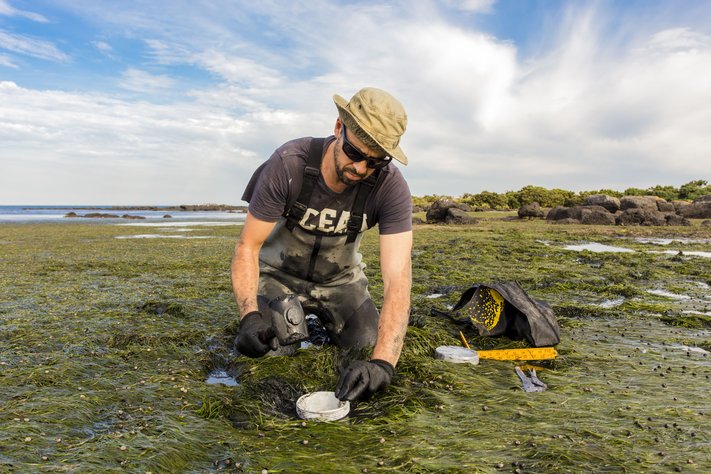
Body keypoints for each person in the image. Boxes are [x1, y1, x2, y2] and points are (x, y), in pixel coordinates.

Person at [231, 87, 412, 402]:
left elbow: (398, 278)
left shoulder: (391, 188)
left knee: (366, 347)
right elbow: (248, 247)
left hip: (342, 282)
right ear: (339, 128)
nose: (360, 169)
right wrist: (249, 315)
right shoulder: (289, 164)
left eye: (375, 162)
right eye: (355, 153)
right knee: (272, 356)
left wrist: (383, 363)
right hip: (279, 276)